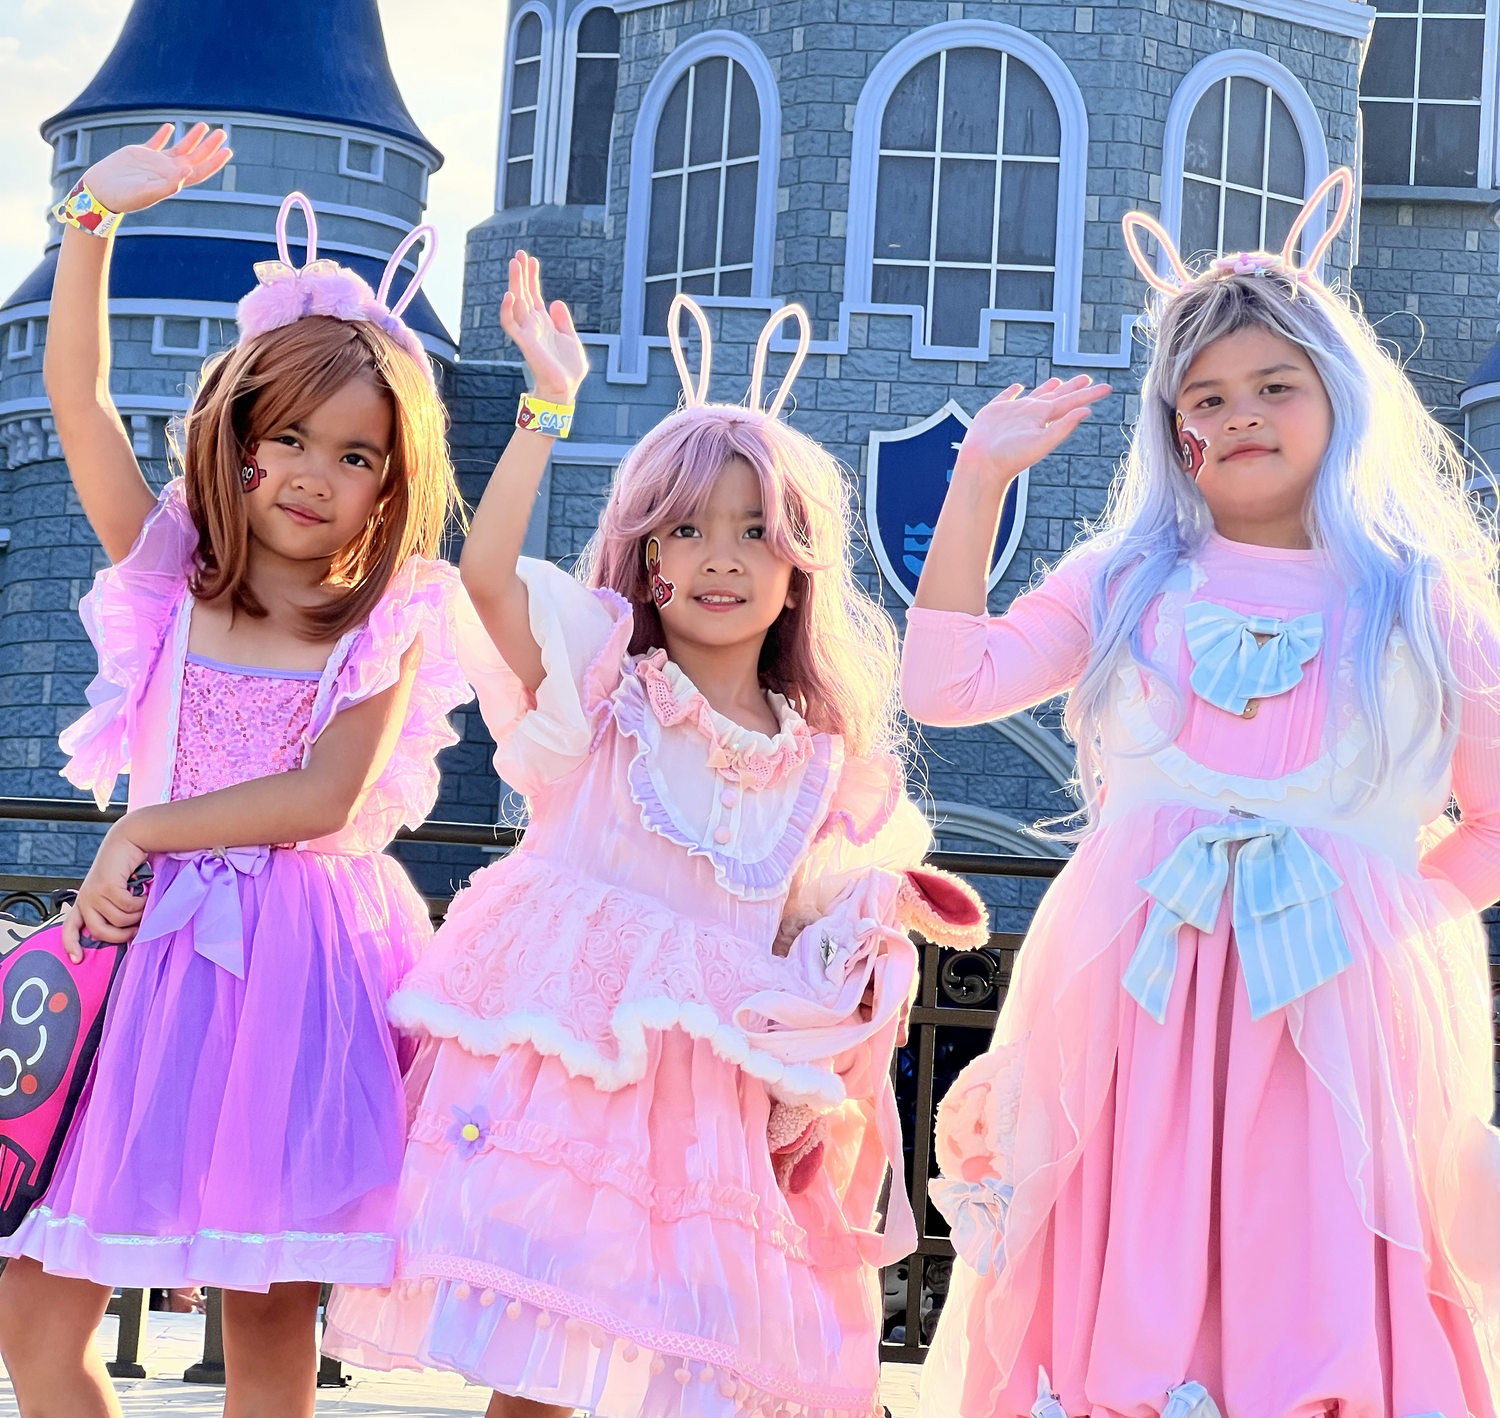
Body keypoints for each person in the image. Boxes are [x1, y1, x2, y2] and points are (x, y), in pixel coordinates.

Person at [325, 255, 988, 1418]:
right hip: (568, 1073)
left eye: (757, 531)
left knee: (685, 1372)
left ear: (798, 569)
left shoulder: (821, 761)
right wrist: (547, 405)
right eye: (688, 528)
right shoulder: (601, 682)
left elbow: (817, 937)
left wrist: (872, 920)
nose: (722, 556)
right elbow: (486, 579)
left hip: (703, 1118)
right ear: (649, 556)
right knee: (539, 1368)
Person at [906, 170, 1500, 1418]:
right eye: (1206, 397)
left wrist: (1380, 923)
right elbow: (945, 684)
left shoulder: (1419, 599)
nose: (1240, 417)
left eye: (1275, 385)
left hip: (1326, 1024)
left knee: (1311, 1291)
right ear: (1173, 427)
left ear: (1339, 395)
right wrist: (979, 478)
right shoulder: (1126, 577)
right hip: (1140, 1012)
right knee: (1133, 1283)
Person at [0, 126, 470, 1418]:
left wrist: (146, 827)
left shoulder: (379, 626)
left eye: (357, 455)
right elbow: (79, 400)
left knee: (267, 1319)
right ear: (241, 434)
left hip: (298, 975)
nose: (317, 474)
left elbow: (325, 799)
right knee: (37, 1313)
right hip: (143, 963)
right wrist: (91, 220)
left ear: (391, 483)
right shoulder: (172, 571)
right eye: (294, 436)